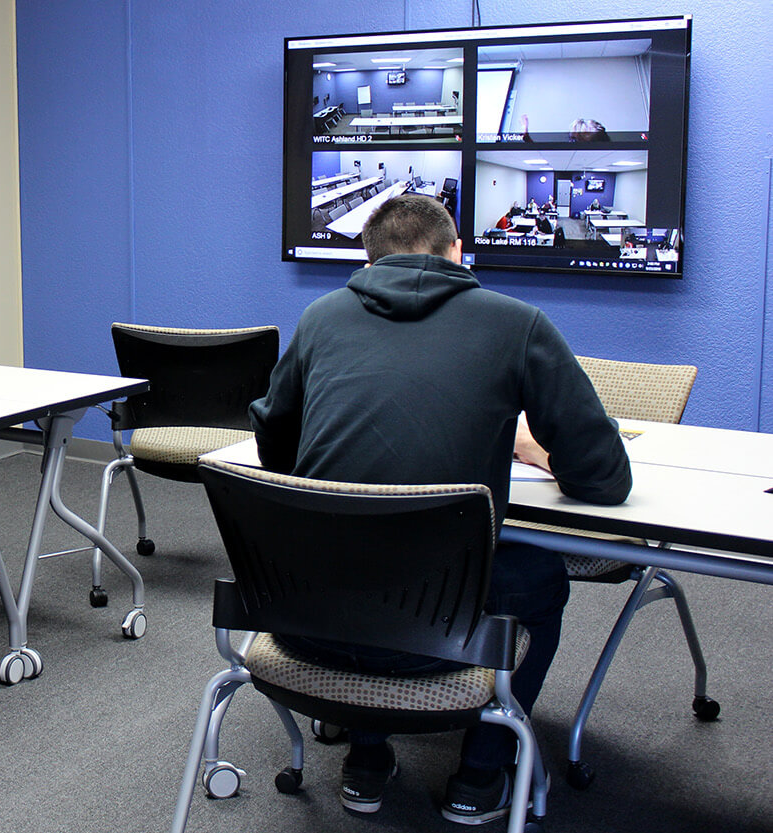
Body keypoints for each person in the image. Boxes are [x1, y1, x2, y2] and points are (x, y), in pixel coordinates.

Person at [249, 194, 630, 823]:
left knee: (362, 549)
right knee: (538, 576)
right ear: (457, 252)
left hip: (304, 623)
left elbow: (276, 448)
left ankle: (367, 760)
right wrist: (536, 450)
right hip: (437, 633)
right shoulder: (518, 323)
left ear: (367, 262)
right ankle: (481, 773)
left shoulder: (320, 318)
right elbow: (605, 479)